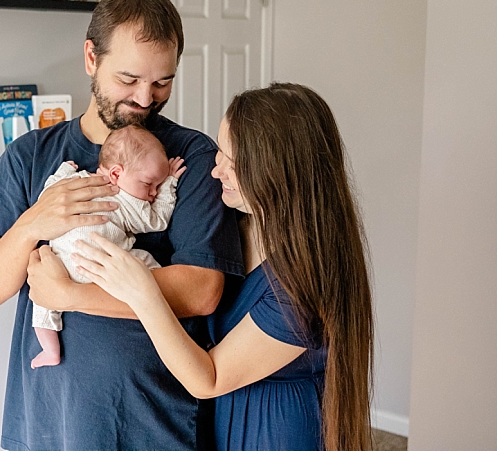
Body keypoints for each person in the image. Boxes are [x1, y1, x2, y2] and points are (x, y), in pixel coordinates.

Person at [0, 0, 242, 450]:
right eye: (129, 79)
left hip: (155, 421)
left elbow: (201, 291)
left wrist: (72, 295)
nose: (145, 98)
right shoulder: (30, 158)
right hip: (51, 423)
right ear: (91, 57)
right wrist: (33, 223)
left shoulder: (189, 157)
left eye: (162, 82)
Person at [65, 83, 375, 450]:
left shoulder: (303, 285)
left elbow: (207, 378)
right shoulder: (239, 224)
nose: (216, 172)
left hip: (275, 431)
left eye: (234, 162)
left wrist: (140, 290)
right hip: (223, 418)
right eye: (220, 153)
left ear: (280, 171)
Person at [31, 125, 187, 369]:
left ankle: (50, 349)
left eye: (158, 186)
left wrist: (62, 172)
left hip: (62, 266)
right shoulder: (125, 201)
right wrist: (169, 185)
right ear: (116, 174)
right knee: (143, 264)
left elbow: (47, 196)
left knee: (41, 303)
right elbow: (156, 221)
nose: (153, 193)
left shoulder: (75, 182)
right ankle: (162, 309)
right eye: (149, 184)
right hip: (104, 269)